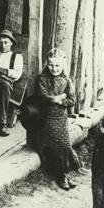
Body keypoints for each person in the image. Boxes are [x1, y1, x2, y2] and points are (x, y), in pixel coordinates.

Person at [37, 48, 81, 190]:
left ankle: (64, 173)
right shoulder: (43, 79)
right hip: (47, 116)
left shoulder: (67, 80)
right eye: (51, 65)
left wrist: (61, 100)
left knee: (64, 144)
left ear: (63, 65)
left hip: (61, 116)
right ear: (46, 63)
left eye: (57, 65)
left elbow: (72, 99)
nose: (54, 68)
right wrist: (58, 97)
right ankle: (61, 175)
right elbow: (43, 97)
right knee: (57, 146)